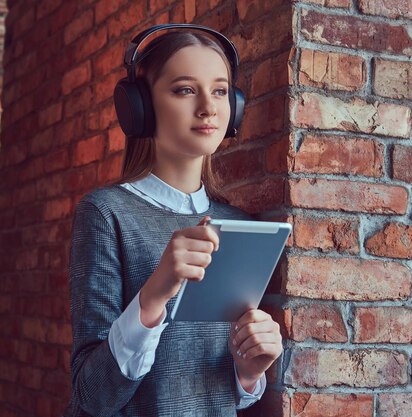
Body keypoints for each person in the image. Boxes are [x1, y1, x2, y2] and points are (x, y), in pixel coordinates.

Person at [64, 25, 283, 417]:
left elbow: (224, 389)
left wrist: (248, 374)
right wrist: (154, 294)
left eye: (219, 91)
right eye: (185, 89)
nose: (208, 107)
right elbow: (92, 396)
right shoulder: (105, 213)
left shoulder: (239, 224)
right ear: (139, 108)